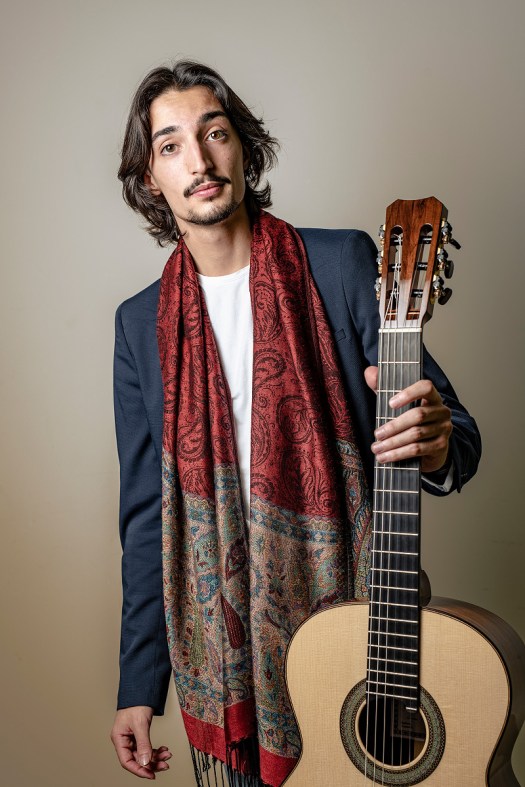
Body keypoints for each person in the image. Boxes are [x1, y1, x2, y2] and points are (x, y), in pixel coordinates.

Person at [110, 61, 481, 786]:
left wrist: (436, 442)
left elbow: (455, 436)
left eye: (215, 133)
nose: (199, 160)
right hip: (229, 672)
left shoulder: (339, 264)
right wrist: (137, 684)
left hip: (357, 643)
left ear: (242, 146)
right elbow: (148, 516)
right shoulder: (139, 325)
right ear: (150, 178)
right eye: (171, 145)